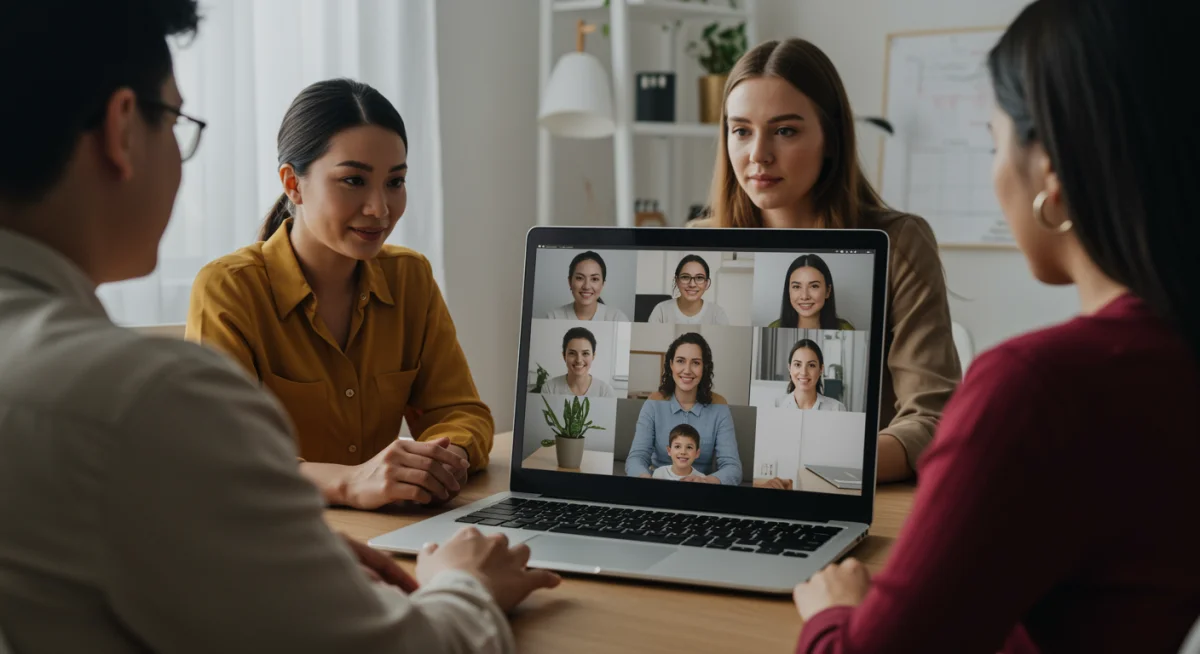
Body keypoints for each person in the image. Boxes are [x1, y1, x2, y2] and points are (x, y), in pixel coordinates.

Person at [0, 1, 557, 651]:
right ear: (124, 128)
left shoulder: (56, 380)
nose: (379, 208)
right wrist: (465, 584)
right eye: (177, 122)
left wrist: (285, 555)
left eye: (396, 182)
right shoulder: (145, 398)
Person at [792, 1, 1200, 651]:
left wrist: (831, 614)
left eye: (994, 142)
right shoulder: (1170, 354)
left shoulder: (1036, 387)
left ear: (1050, 173)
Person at [186, 79, 494, 511]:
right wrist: (349, 483)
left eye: (395, 182)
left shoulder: (411, 278)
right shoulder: (230, 288)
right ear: (293, 184)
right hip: (275, 537)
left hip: (392, 531)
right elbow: (221, 459)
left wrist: (446, 458)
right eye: (353, 180)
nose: (380, 209)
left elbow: (460, 411)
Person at [692, 38, 961, 483]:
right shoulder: (698, 244)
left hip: (844, 492)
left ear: (831, 138)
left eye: (785, 130)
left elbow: (933, 420)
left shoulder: (901, 243)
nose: (758, 153)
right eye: (741, 130)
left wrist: (823, 465)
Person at [624, 333, 742, 484]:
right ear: (671, 364)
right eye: (680, 361)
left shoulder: (719, 406)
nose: (687, 370)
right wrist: (647, 482)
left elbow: (732, 467)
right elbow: (636, 458)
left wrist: (707, 481)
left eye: (695, 363)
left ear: (704, 367)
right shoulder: (653, 403)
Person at [767, 254, 853, 329]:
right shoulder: (774, 327)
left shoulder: (845, 329)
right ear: (788, 291)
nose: (804, 296)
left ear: (828, 291)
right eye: (796, 286)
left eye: (814, 286)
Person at [544, 251, 630, 321]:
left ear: (602, 284)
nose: (586, 286)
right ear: (570, 282)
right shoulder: (552, 318)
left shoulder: (617, 319)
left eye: (594, 279)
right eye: (580, 278)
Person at [647, 254, 731, 325]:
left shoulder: (717, 314)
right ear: (677, 281)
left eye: (699, 278)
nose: (692, 284)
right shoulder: (661, 311)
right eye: (685, 277)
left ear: (706, 283)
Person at [540, 326, 616, 398]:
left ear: (593, 356)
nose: (579, 360)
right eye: (572, 353)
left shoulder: (605, 392)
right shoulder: (550, 389)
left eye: (585, 353)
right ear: (564, 356)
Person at [774, 339, 847, 411]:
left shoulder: (837, 409)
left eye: (811, 365)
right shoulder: (776, 406)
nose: (804, 372)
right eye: (797, 364)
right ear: (789, 368)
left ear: (821, 369)